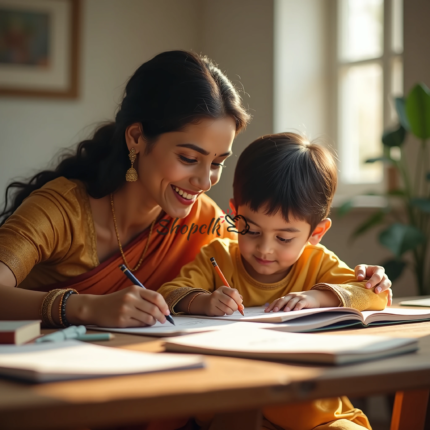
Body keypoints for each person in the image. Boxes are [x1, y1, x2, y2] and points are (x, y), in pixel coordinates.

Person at [0, 50, 391, 430]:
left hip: (162, 398)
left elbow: (256, 256)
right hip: (49, 400)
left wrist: (366, 282)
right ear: (136, 137)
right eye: (190, 158)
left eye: (218, 163)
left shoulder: (204, 219)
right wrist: (85, 308)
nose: (205, 182)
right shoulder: (62, 208)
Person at [158, 133, 388, 430]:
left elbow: (373, 295)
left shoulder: (317, 262)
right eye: (250, 230)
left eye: (283, 237)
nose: (264, 249)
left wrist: (317, 299)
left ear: (316, 233)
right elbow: (168, 294)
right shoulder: (219, 256)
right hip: (232, 412)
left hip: (316, 417)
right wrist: (203, 301)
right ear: (234, 213)